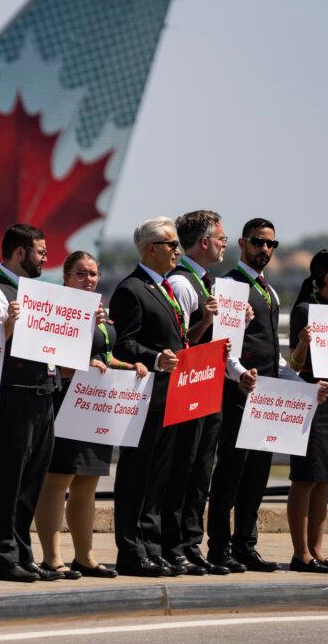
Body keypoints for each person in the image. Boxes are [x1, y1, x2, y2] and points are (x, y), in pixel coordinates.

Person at [33, 251, 148, 580]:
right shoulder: (58, 312)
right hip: (65, 401)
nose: (89, 280)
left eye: (93, 274)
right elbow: (53, 360)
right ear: (66, 277)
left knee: (88, 483)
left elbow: (103, 356)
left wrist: (130, 367)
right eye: (81, 274)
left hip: (95, 405)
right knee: (58, 481)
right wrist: (83, 363)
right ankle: (52, 558)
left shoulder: (99, 312)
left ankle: (85, 556)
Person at [206, 218, 307, 573]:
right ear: (242, 243)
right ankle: (218, 547)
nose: (264, 249)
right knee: (231, 470)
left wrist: (295, 380)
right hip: (238, 390)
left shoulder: (270, 291)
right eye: (257, 242)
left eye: (270, 244)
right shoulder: (229, 286)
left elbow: (269, 350)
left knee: (258, 472)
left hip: (267, 392)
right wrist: (238, 374)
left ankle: (245, 544)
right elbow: (224, 343)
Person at [0, 224, 56, 582]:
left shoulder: (35, 292)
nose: (46, 258)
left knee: (30, 482)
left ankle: (23, 552)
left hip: (42, 395)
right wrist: (10, 325)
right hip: (12, 397)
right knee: (8, 480)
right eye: (40, 252)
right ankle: (5, 557)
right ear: (19, 253)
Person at [108, 217, 187, 577]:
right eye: (171, 245)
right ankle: (130, 549)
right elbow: (124, 343)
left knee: (159, 478)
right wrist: (155, 358)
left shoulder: (165, 288)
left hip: (170, 395)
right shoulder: (131, 289)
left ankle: (152, 547)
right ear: (150, 249)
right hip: (144, 397)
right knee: (137, 476)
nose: (177, 251)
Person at [160, 210, 231, 575]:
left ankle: (191, 543)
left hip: (210, 386)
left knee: (202, 470)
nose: (224, 244)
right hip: (189, 389)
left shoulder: (208, 282)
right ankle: (175, 545)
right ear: (204, 242)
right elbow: (184, 344)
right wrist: (206, 321)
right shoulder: (185, 284)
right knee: (183, 470)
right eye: (221, 238)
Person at [286, 250, 328, 574]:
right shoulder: (304, 310)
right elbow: (295, 362)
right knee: (305, 476)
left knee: (324, 477)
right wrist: (304, 342)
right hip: (310, 395)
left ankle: (318, 548)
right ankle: (301, 553)